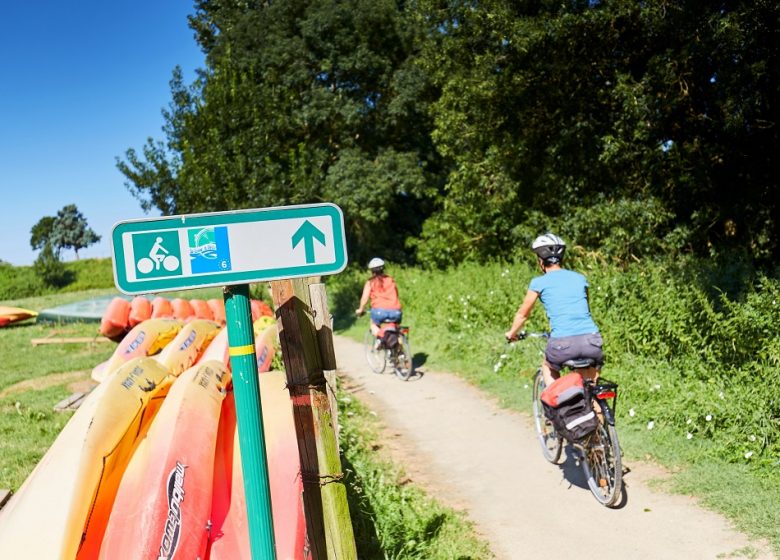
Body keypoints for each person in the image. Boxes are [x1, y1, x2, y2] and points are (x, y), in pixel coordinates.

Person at [505, 233, 603, 386]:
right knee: (592, 388)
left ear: (540, 261)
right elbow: (586, 309)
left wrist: (511, 334)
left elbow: (522, 315)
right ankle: (597, 409)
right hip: (591, 340)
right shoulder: (580, 278)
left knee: (548, 366)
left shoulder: (538, 282)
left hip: (562, 343)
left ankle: (555, 405)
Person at [355, 257, 402, 338]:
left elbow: (365, 298)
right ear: (383, 268)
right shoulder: (390, 279)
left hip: (379, 312)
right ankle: (399, 347)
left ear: (371, 270)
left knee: (373, 324)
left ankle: (383, 337)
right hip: (396, 311)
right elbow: (396, 294)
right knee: (396, 329)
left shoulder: (370, 282)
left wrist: (360, 310)